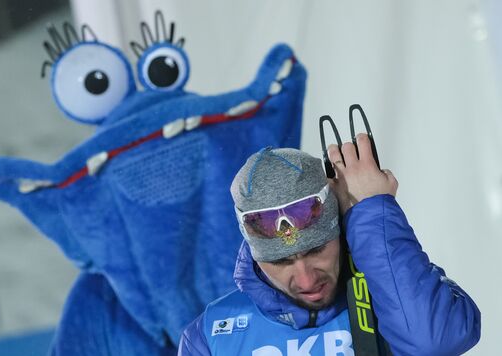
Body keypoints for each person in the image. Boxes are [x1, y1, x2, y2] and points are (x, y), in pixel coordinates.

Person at [177, 134, 481, 355]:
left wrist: (373, 211)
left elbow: (435, 342)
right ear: (256, 258)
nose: (307, 279)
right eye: (281, 262)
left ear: (340, 230)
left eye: (316, 250)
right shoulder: (210, 335)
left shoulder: (391, 302)